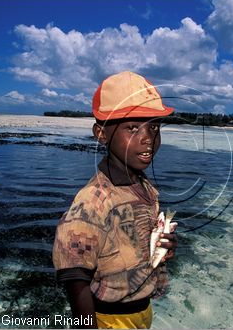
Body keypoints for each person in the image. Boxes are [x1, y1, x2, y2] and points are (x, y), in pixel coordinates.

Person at [52, 71, 177, 329]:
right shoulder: (93, 202)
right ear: (101, 134)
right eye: (132, 127)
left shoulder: (144, 188)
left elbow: (134, 242)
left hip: (142, 311)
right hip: (110, 319)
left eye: (154, 126)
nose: (148, 138)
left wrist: (162, 246)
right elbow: (76, 283)